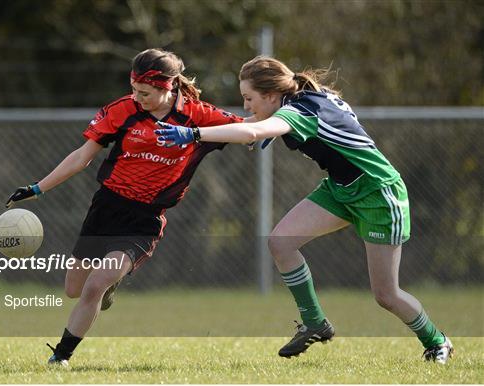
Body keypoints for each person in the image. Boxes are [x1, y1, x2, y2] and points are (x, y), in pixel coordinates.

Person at [155, 56, 454, 364]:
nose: (245, 106)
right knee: (280, 242)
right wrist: (202, 125)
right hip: (341, 189)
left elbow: (252, 131)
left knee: (386, 295)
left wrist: (193, 134)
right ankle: (314, 322)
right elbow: (251, 126)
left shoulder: (298, 110)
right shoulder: (301, 98)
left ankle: (438, 342)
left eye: (248, 98)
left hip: (379, 193)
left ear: (271, 95)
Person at [5, 48, 245, 367]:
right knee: (73, 289)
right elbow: (81, 157)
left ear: (167, 87)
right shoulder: (122, 110)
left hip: (145, 219)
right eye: (133, 89)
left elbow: (248, 130)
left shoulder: (197, 115)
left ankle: (60, 356)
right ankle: (108, 284)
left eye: (144, 92)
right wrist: (38, 188)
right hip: (107, 206)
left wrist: (283, 120)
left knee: (95, 285)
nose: (136, 97)